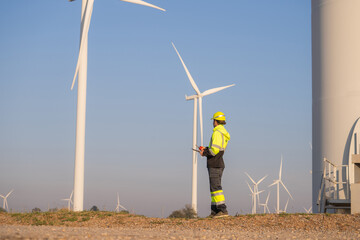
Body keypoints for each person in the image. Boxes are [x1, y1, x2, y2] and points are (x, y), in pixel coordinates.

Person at [200, 111, 230, 218]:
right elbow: (215, 149)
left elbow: (214, 151)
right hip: (218, 163)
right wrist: (206, 149)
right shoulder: (223, 133)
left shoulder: (217, 133)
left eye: (213, 120)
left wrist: (205, 153)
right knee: (213, 189)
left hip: (215, 164)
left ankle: (222, 210)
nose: (213, 122)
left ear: (215, 121)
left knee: (216, 188)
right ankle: (215, 211)